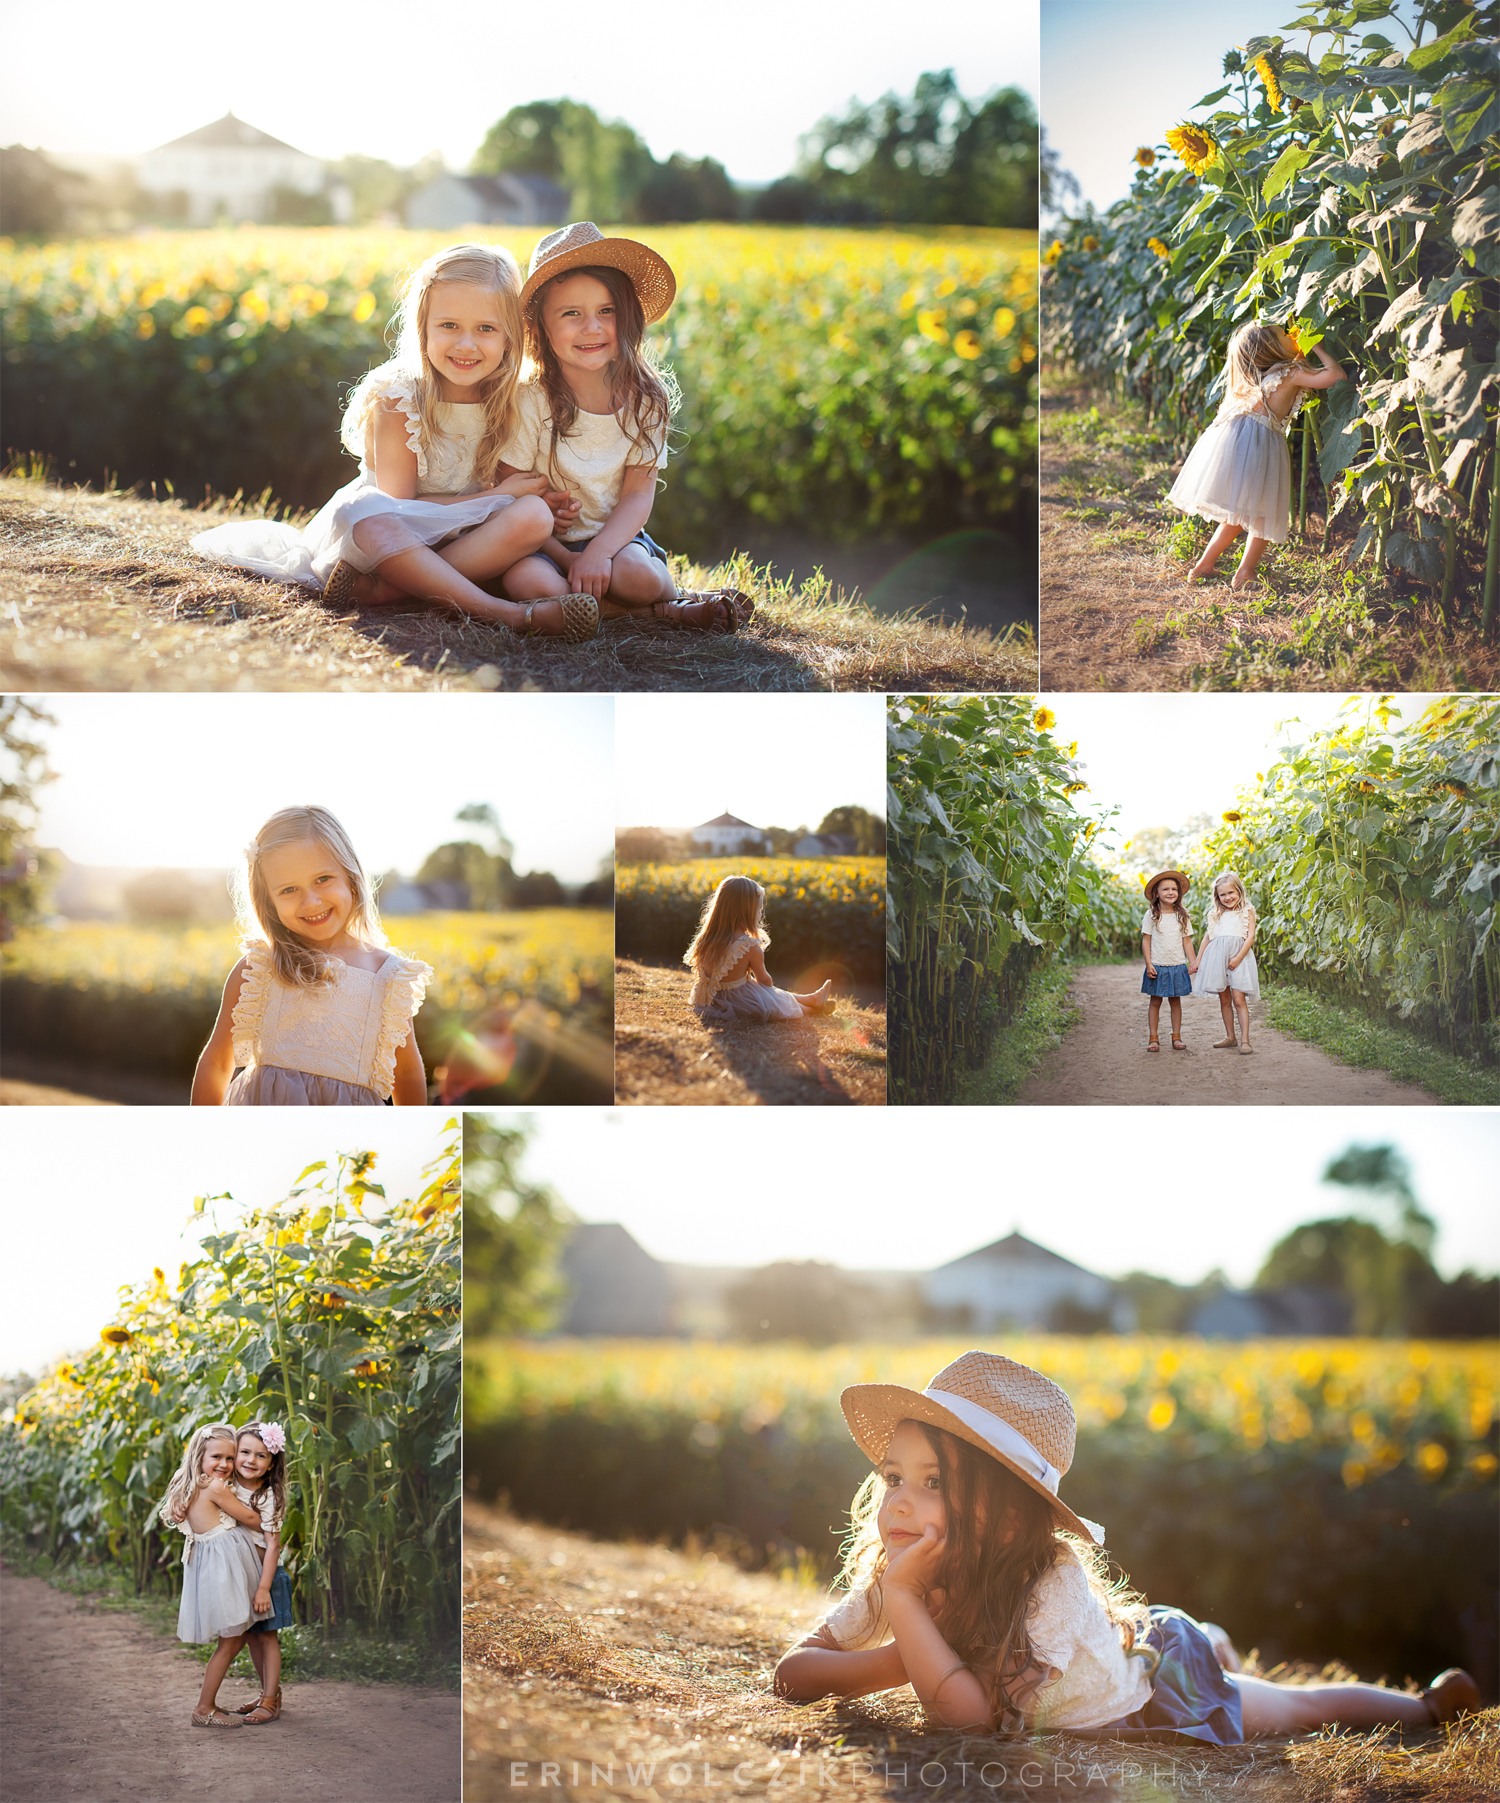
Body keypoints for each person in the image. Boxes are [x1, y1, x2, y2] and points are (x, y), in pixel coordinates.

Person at [775, 1350, 1482, 1739]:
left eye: (933, 1481)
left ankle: (1423, 1708)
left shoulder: (1048, 1582)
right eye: (894, 1474)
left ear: (1012, 1520)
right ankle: (1212, 1635)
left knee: (1294, 1708)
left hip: (1150, 1689)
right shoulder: (898, 1576)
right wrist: (904, 1636)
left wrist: (907, 1618)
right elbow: (793, 1673)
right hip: (1109, 1650)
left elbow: (965, 1713)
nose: (898, 1498)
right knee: (1170, 1642)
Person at [191, 241, 599, 643]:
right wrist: (496, 499)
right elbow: (398, 505)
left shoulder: (512, 397)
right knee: (364, 511)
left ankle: (392, 591)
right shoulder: (399, 396)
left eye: (486, 329)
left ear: (511, 337)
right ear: (422, 327)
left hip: (463, 540)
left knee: (533, 516)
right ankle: (505, 614)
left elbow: (510, 491)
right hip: (390, 539)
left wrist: (535, 500)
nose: (466, 344)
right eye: (449, 325)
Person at [495, 221, 752, 634]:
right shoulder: (529, 399)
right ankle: (669, 610)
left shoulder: (646, 400)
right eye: (571, 314)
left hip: (616, 541)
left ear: (627, 315)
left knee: (639, 579)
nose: (592, 327)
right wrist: (570, 561)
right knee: (525, 582)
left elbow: (637, 496)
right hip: (544, 547)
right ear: (542, 326)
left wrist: (598, 553)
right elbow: (509, 498)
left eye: (606, 311)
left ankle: (658, 592)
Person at [191, 804, 432, 1106]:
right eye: (289, 889)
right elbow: (217, 1062)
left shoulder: (388, 978)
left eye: (323, 879)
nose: (311, 901)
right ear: (268, 901)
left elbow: (407, 1073)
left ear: (350, 876)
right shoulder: (258, 970)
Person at [1167, 321, 1346, 589]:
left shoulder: (1260, 376)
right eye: (1282, 334)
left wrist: (1300, 347)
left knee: (1238, 515)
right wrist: (1317, 346)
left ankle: (1204, 565)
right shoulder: (1289, 373)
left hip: (1236, 440)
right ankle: (1244, 573)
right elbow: (1336, 377)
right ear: (1271, 350)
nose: (1290, 333)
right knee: (1261, 514)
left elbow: (1296, 359)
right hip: (1259, 443)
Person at [158, 1422, 271, 1729]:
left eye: (230, 1458)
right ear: (200, 1458)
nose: (224, 1464)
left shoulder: (191, 1485)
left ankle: (223, 1702)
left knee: (234, 1639)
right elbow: (249, 1518)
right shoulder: (216, 1487)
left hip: (213, 1565)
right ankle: (204, 1707)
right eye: (217, 1457)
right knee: (232, 1640)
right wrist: (272, 1516)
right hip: (225, 1567)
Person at [685, 875, 835, 1023]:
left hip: (708, 999)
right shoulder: (748, 946)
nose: (760, 914)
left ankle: (811, 999)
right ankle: (813, 1009)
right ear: (747, 912)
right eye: (760, 909)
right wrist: (769, 991)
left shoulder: (705, 939)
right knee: (772, 997)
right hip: (737, 1002)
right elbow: (764, 980)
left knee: (768, 993)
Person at [227, 1421, 290, 1725]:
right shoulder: (225, 1486)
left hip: (266, 1576)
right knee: (253, 1637)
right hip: (243, 1575)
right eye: (244, 1452)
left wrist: (264, 1588)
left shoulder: (269, 1496)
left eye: (261, 1455)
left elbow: (273, 1547)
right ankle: (269, 1692)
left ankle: (269, 1701)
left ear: (271, 1463)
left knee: (267, 1637)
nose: (251, 1460)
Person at [1193, 869, 1259, 1054]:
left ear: (1239, 891)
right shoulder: (1216, 914)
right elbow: (1208, 938)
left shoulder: (1247, 910)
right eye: (1223, 894)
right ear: (1217, 896)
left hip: (1239, 958)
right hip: (1218, 960)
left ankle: (1245, 1040)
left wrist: (1238, 958)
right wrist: (1198, 960)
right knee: (1224, 1000)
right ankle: (1231, 1036)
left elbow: (1250, 936)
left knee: (1238, 1000)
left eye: (1231, 892)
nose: (1227, 897)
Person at [1141, 869, 1196, 1053]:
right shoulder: (1152, 915)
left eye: (1174, 889)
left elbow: (1187, 941)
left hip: (1177, 964)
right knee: (1155, 1001)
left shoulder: (1182, 915)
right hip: (1157, 964)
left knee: (1175, 1001)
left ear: (1178, 893)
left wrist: (1193, 962)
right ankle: (1153, 1038)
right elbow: (1146, 940)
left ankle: (1176, 1036)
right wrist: (1149, 963)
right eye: (1165, 889)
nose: (1170, 892)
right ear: (1157, 893)